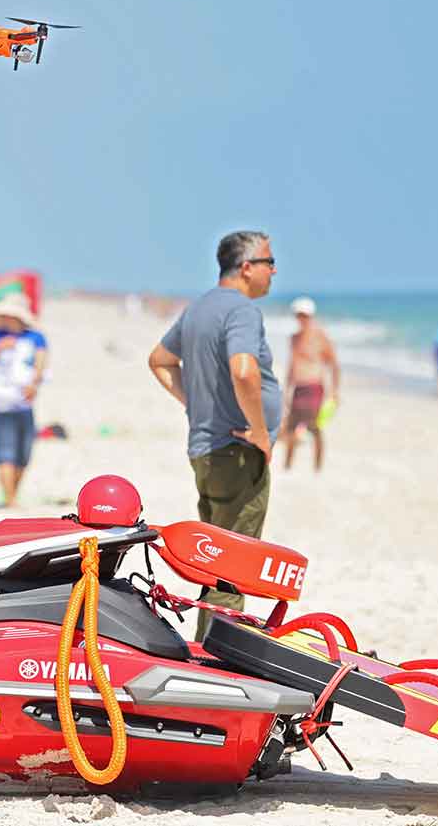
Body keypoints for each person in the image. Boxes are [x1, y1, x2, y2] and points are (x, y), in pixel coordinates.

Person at [147, 230, 280, 640]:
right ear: (246, 267)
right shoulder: (240, 310)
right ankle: (216, 658)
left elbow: (160, 361)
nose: (273, 271)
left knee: (217, 558)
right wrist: (259, 432)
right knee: (233, 567)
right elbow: (243, 370)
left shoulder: (199, 308)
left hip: (208, 451)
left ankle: (207, 648)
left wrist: (195, 404)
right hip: (236, 452)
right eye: (268, 262)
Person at [0, 299, 47, 505]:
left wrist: (33, 384)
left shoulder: (35, 337)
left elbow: (41, 362)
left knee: (24, 452)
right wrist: (0, 348)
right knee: (6, 451)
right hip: (2, 403)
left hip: (24, 402)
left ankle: (14, 493)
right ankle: (9, 498)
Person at [280, 297, 340, 472]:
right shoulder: (293, 338)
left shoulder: (320, 336)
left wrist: (334, 391)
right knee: (290, 427)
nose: (302, 319)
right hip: (298, 388)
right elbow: (293, 365)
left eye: (305, 315)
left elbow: (333, 364)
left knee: (314, 428)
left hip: (315, 387)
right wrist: (287, 389)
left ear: (311, 316)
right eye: (299, 315)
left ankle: (317, 466)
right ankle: (288, 465)